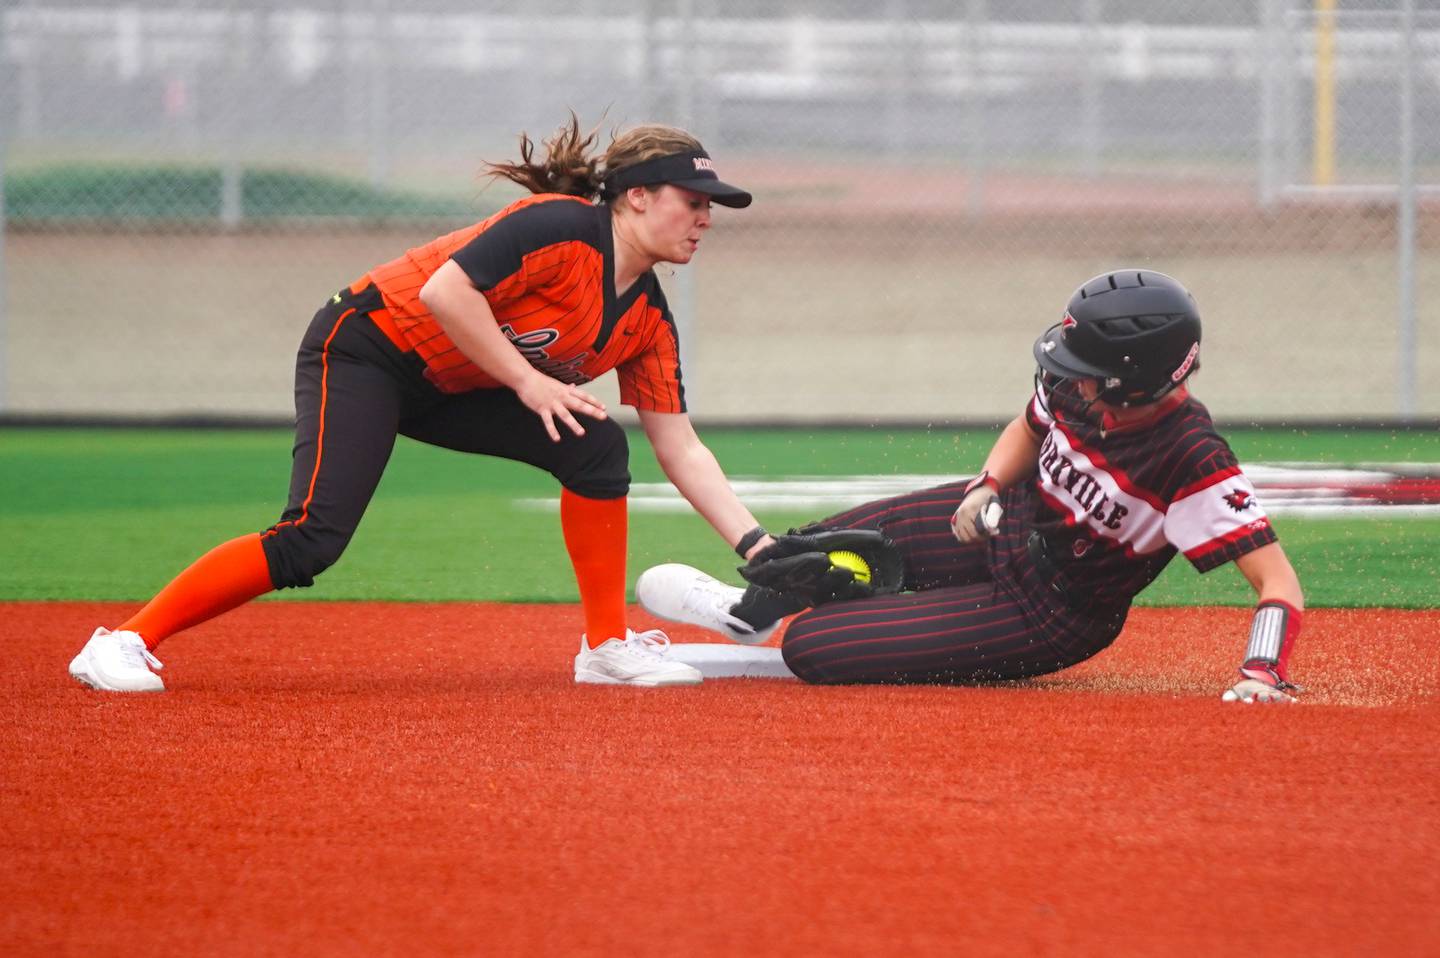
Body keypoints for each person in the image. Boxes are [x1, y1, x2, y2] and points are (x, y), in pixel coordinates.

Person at [69, 115, 781, 692]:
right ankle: (123, 641)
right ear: (637, 195)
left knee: (596, 447)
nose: (705, 218)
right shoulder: (557, 227)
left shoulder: (647, 318)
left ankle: (604, 647)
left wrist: (757, 547)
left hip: (453, 385)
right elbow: (446, 292)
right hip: (365, 348)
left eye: (709, 207)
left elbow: (680, 444)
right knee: (314, 537)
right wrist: (529, 382)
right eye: (694, 201)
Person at [638, 269, 1306, 703]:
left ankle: (833, 621)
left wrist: (1261, 671)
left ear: (1138, 378)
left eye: (1087, 369)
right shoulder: (1085, 389)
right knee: (809, 548)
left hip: (1052, 612)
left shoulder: (1190, 457)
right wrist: (985, 486)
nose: (1069, 378)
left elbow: (1277, 583)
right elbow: (1027, 427)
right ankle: (746, 613)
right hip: (1002, 522)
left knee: (815, 648)